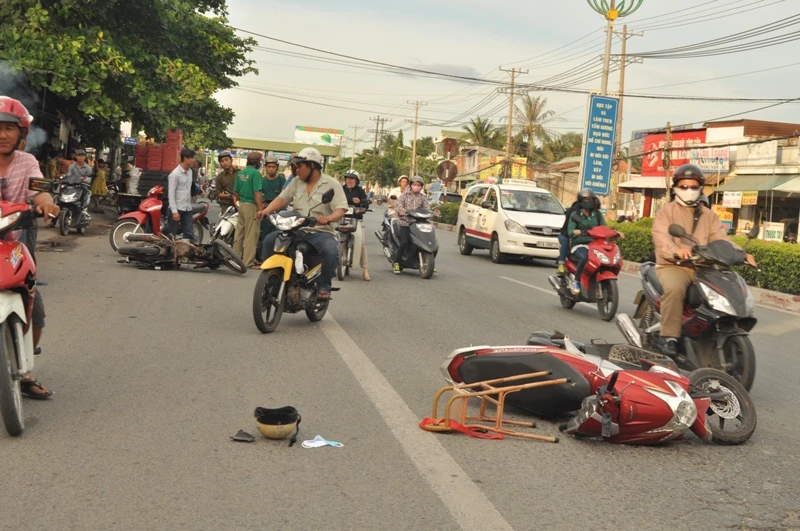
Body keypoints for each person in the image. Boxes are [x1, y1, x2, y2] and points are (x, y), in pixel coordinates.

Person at [653, 164, 756, 355]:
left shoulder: (709, 215)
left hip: (702, 267)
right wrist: (677, 251)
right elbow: (661, 238)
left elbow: (721, 238)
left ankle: (708, 332)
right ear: (676, 188)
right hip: (674, 266)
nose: (689, 191)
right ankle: (668, 337)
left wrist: (741, 254)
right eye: (684, 187)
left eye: (693, 187)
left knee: (724, 288)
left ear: (700, 188)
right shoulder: (666, 212)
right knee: (675, 289)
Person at [0, 96, 60, 399]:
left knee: (35, 310)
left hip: (15, 241)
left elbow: (39, 192)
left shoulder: (28, 162)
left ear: (21, 133)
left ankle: (26, 371)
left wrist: (46, 204)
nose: (2, 134)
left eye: (9, 128)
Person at [256, 147, 347, 299]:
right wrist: (266, 211)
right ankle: (271, 281)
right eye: (295, 166)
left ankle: (324, 286)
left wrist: (329, 218)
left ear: (312, 166)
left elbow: (341, 209)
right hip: (296, 229)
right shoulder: (296, 183)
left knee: (331, 250)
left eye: (300, 166)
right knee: (269, 241)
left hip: (321, 231)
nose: (296, 170)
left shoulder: (332, 184)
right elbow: (282, 199)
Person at [566, 189, 605, 295]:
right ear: (580, 201)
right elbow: (570, 231)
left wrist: (616, 232)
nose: (588, 201)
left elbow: (604, 228)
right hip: (579, 244)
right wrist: (576, 231)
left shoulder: (597, 215)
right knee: (585, 257)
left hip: (595, 244)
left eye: (590, 199)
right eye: (585, 199)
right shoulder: (576, 214)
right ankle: (576, 281)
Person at [392, 175, 430, 274]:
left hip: (418, 222)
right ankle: (397, 262)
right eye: (414, 184)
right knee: (404, 242)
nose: (416, 186)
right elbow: (398, 205)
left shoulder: (422, 197)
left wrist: (431, 212)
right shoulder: (405, 195)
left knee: (426, 240)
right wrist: (402, 211)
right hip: (406, 222)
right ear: (411, 185)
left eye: (418, 185)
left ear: (421, 186)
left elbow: (427, 207)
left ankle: (429, 262)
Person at [233, 152, 264, 267]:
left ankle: (235, 258)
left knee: (239, 232)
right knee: (251, 234)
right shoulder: (256, 173)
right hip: (252, 206)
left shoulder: (241, 173)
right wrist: (261, 209)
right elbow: (257, 192)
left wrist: (242, 198)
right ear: (257, 162)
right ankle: (247, 262)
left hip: (241, 205)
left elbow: (235, 191)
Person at [342, 169, 370, 281]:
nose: (350, 180)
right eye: (348, 178)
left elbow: (366, 203)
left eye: (352, 178)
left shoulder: (360, 190)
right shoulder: (340, 189)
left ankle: (365, 270)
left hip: (356, 220)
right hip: (341, 219)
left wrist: (361, 203)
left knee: (362, 243)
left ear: (357, 180)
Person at [167, 147, 196, 241]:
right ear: (186, 158)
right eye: (192, 158)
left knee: (189, 233)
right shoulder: (175, 174)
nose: (194, 160)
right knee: (172, 235)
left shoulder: (190, 172)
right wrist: (174, 212)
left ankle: (185, 253)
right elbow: (171, 194)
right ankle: (170, 254)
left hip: (187, 208)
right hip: (177, 209)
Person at [556, 199, 581, 276]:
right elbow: (569, 228)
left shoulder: (593, 214)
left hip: (584, 235)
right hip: (567, 233)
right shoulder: (574, 211)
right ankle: (561, 265)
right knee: (565, 241)